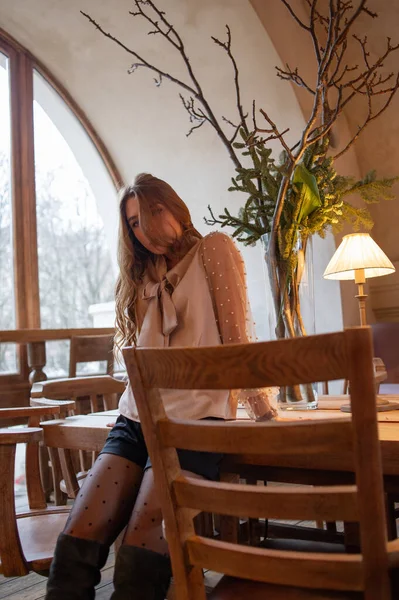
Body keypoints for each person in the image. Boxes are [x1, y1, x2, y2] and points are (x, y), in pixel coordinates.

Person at [46, 173, 275, 600]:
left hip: (196, 421)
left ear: (173, 206)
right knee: (80, 530)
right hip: (136, 418)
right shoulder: (141, 273)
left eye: (153, 212)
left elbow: (236, 341)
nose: (145, 228)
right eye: (133, 222)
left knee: (141, 541)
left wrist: (262, 410)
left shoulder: (214, 249)